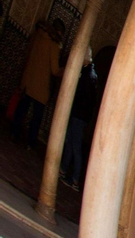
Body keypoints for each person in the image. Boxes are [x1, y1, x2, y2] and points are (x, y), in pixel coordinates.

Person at [11, 19, 63, 147]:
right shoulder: (54, 45)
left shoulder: (37, 35)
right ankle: (30, 143)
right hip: (41, 86)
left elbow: (27, 54)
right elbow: (55, 70)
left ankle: (14, 133)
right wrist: (67, 70)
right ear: (59, 32)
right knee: (36, 117)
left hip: (28, 81)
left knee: (22, 109)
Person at [59, 56, 100, 189]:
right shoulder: (91, 76)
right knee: (71, 143)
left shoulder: (86, 77)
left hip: (79, 115)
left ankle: (75, 179)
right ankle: (63, 170)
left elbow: (80, 97)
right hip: (81, 116)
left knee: (75, 146)